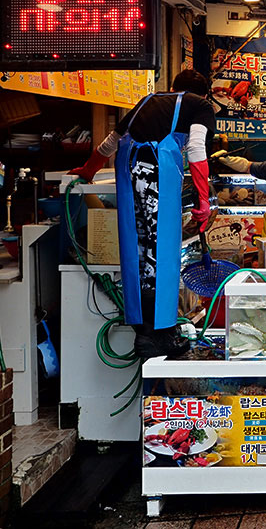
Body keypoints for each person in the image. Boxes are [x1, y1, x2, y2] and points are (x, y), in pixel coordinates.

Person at [69, 70, 215, 358]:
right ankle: (160, 334)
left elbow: (111, 142)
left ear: (173, 88)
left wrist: (89, 170)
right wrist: (203, 201)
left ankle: (144, 330)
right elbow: (197, 148)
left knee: (139, 247)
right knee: (161, 250)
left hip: (128, 169)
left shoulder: (148, 100)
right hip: (155, 171)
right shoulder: (200, 104)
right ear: (204, 93)